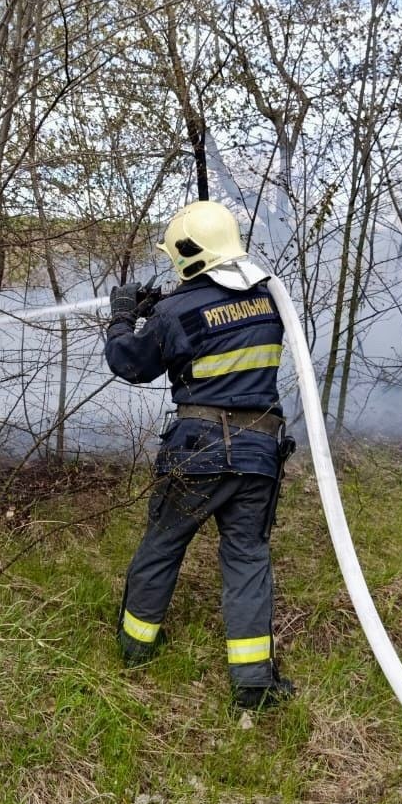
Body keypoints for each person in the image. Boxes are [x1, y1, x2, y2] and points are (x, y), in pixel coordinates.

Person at [104, 200, 296, 711]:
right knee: (248, 557)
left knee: (163, 545)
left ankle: (135, 648)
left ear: (188, 252)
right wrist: (161, 308)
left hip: (198, 452)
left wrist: (124, 318)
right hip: (259, 452)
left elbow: (131, 364)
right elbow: (220, 316)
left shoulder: (176, 311)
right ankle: (253, 683)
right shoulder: (271, 299)